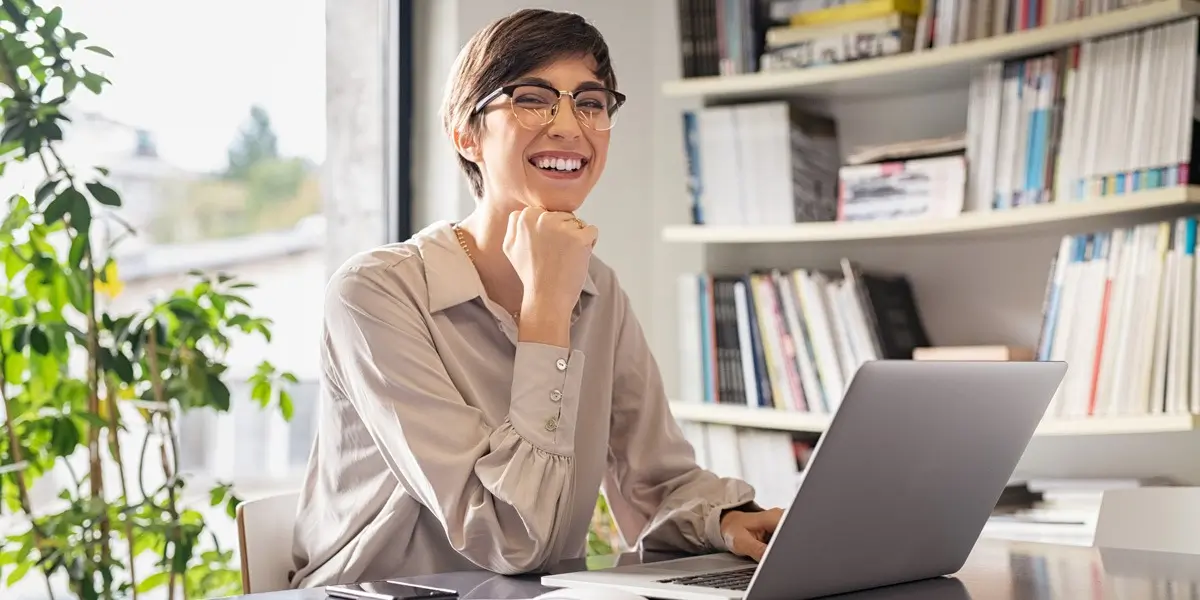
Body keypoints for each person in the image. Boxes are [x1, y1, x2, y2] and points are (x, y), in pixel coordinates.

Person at [288, 8, 783, 589]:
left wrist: (727, 521)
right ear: (466, 134)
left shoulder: (599, 289)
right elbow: (508, 540)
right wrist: (545, 311)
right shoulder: (374, 294)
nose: (570, 127)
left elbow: (654, 482)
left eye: (591, 103)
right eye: (533, 98)